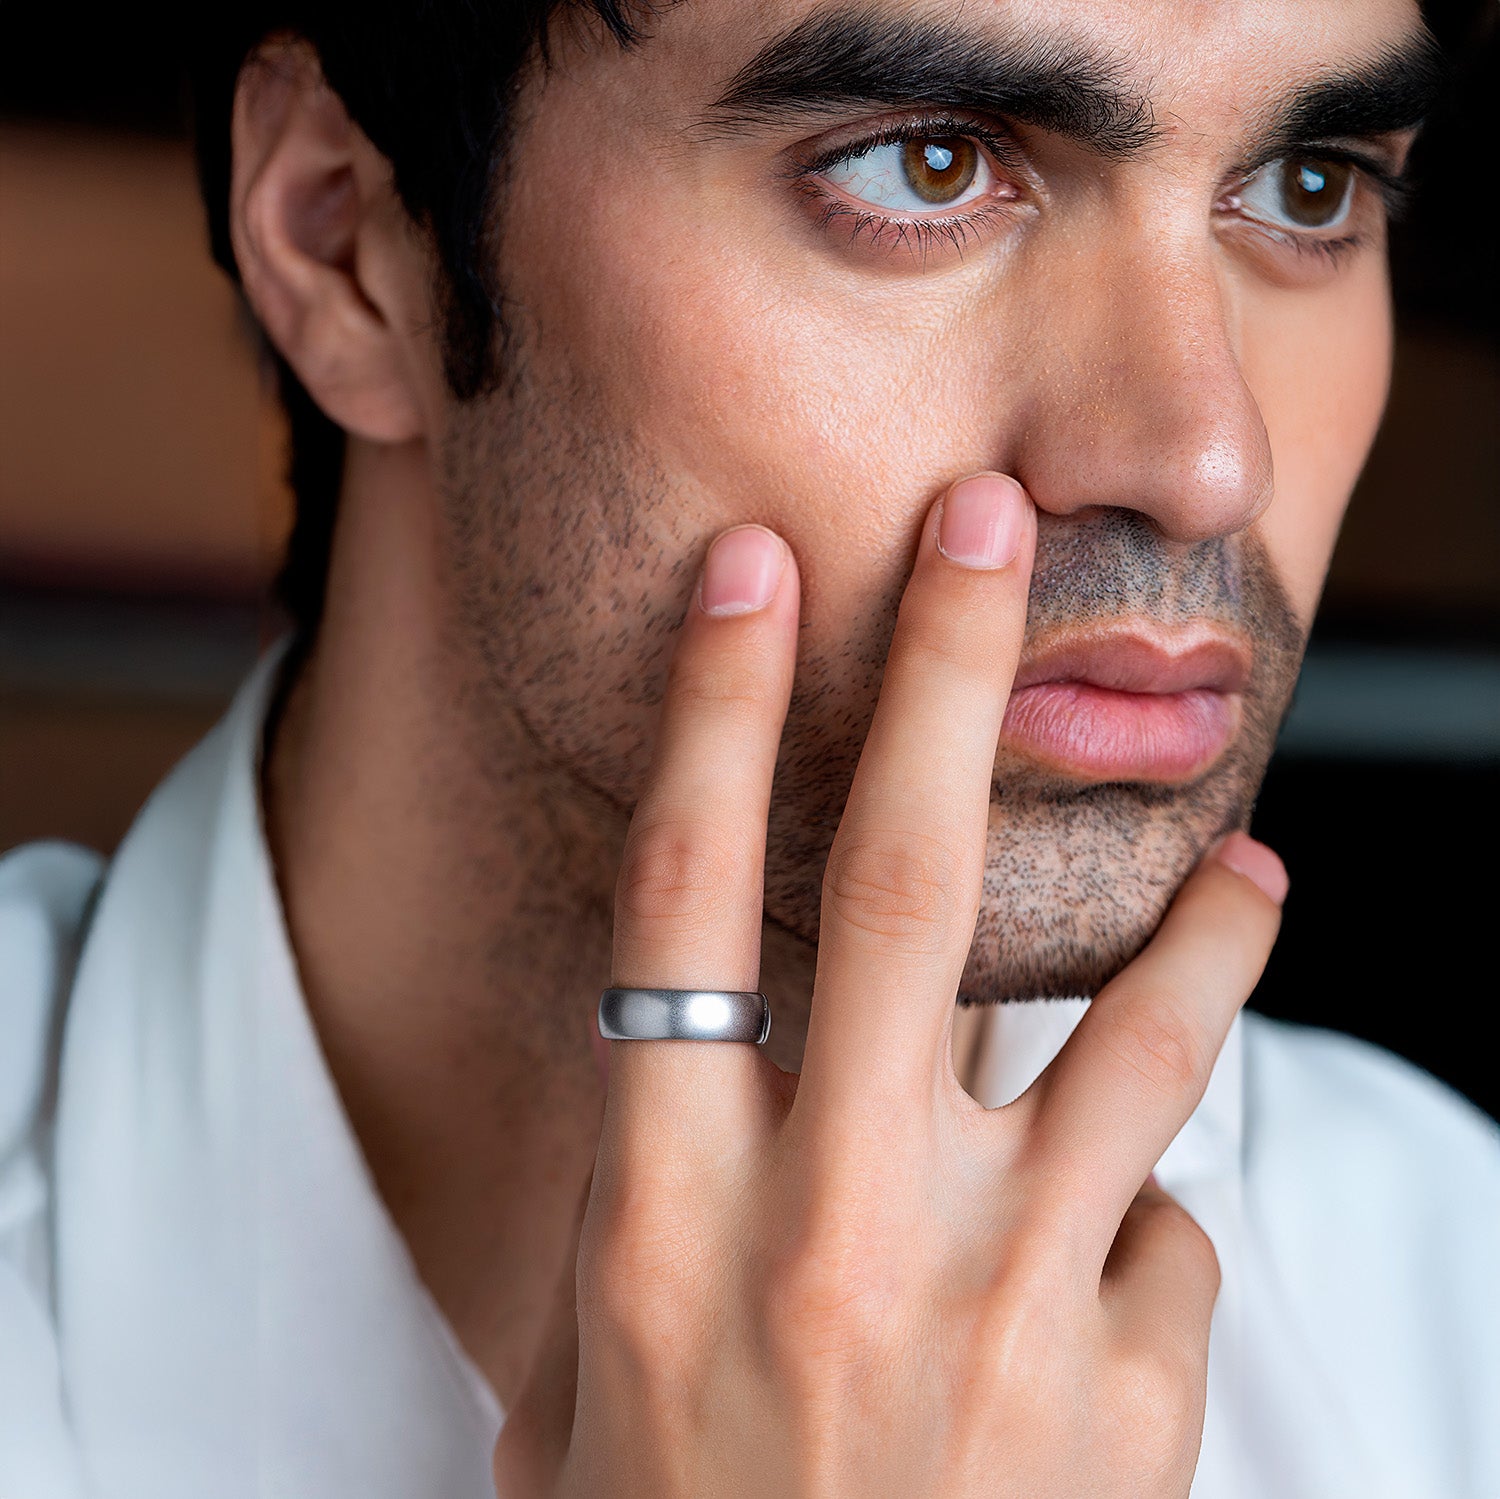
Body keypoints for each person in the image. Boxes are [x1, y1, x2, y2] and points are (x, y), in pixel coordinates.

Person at [2, 0, 1496, 1495]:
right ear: (344, 246)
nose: (1208, 460)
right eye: (926, 164)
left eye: (1313, 184)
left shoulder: (1449, 1310)